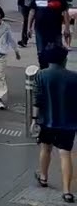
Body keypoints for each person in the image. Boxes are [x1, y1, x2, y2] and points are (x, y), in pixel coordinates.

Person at [35, 47, 77, 202]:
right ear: (64, 60)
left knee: (45, 148)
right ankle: (66, 191)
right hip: (68, 122)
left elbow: (38, 100)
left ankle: (43, 177)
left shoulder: (41, 75)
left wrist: (35, 120)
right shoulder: (74, 77)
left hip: (47, 120)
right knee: (65, 154)